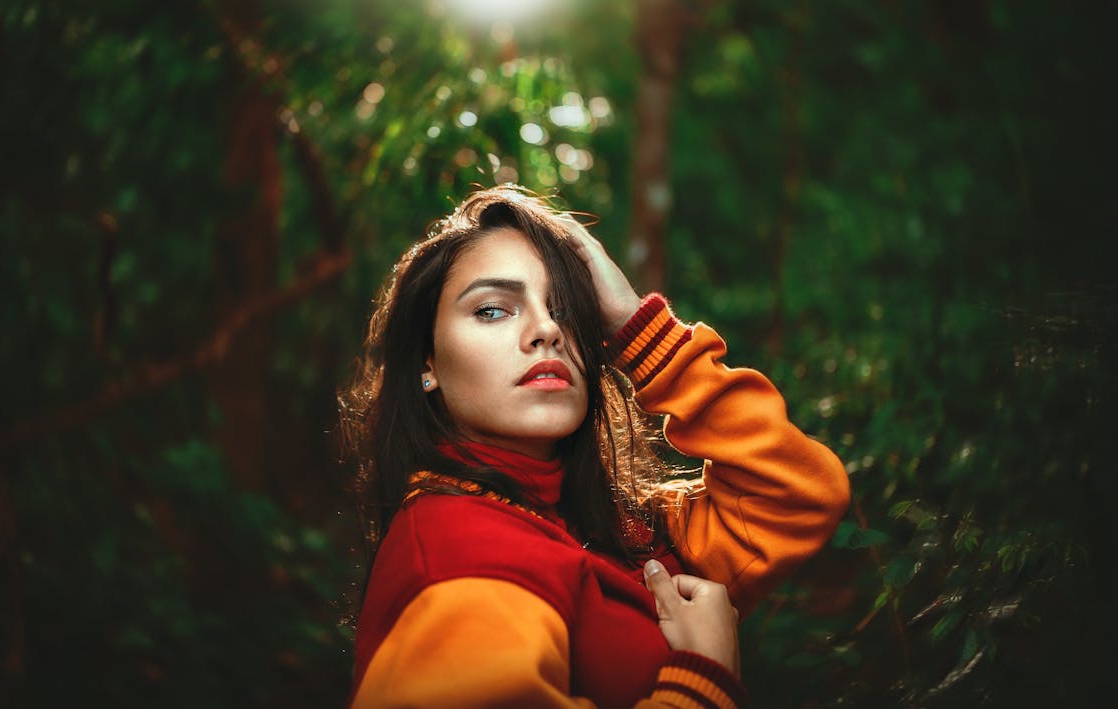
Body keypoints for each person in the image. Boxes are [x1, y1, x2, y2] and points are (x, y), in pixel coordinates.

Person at [340, 186, 850, 708]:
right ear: (427, 364)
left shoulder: (616, 528)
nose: (546, 330)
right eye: (493, 310)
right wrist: (704, 681)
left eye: (566, 310)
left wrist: (639, 325)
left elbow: (799, 497)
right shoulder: (460, 552)